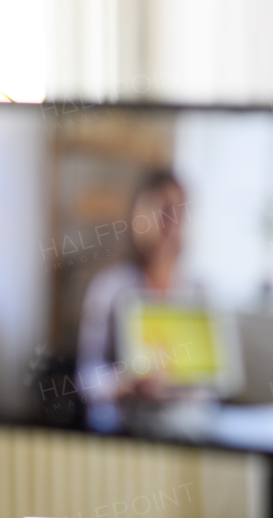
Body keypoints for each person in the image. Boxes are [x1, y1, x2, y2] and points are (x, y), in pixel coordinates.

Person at [76, 170, 189, 432]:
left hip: (182, 428)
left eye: (176, 213)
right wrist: (122, 385)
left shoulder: (196, 293)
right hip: (122, 427)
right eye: (160, 210)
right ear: (138, 214)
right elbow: (87, 378)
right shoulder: (108, 289)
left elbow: (210, 384)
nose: (167, 223)